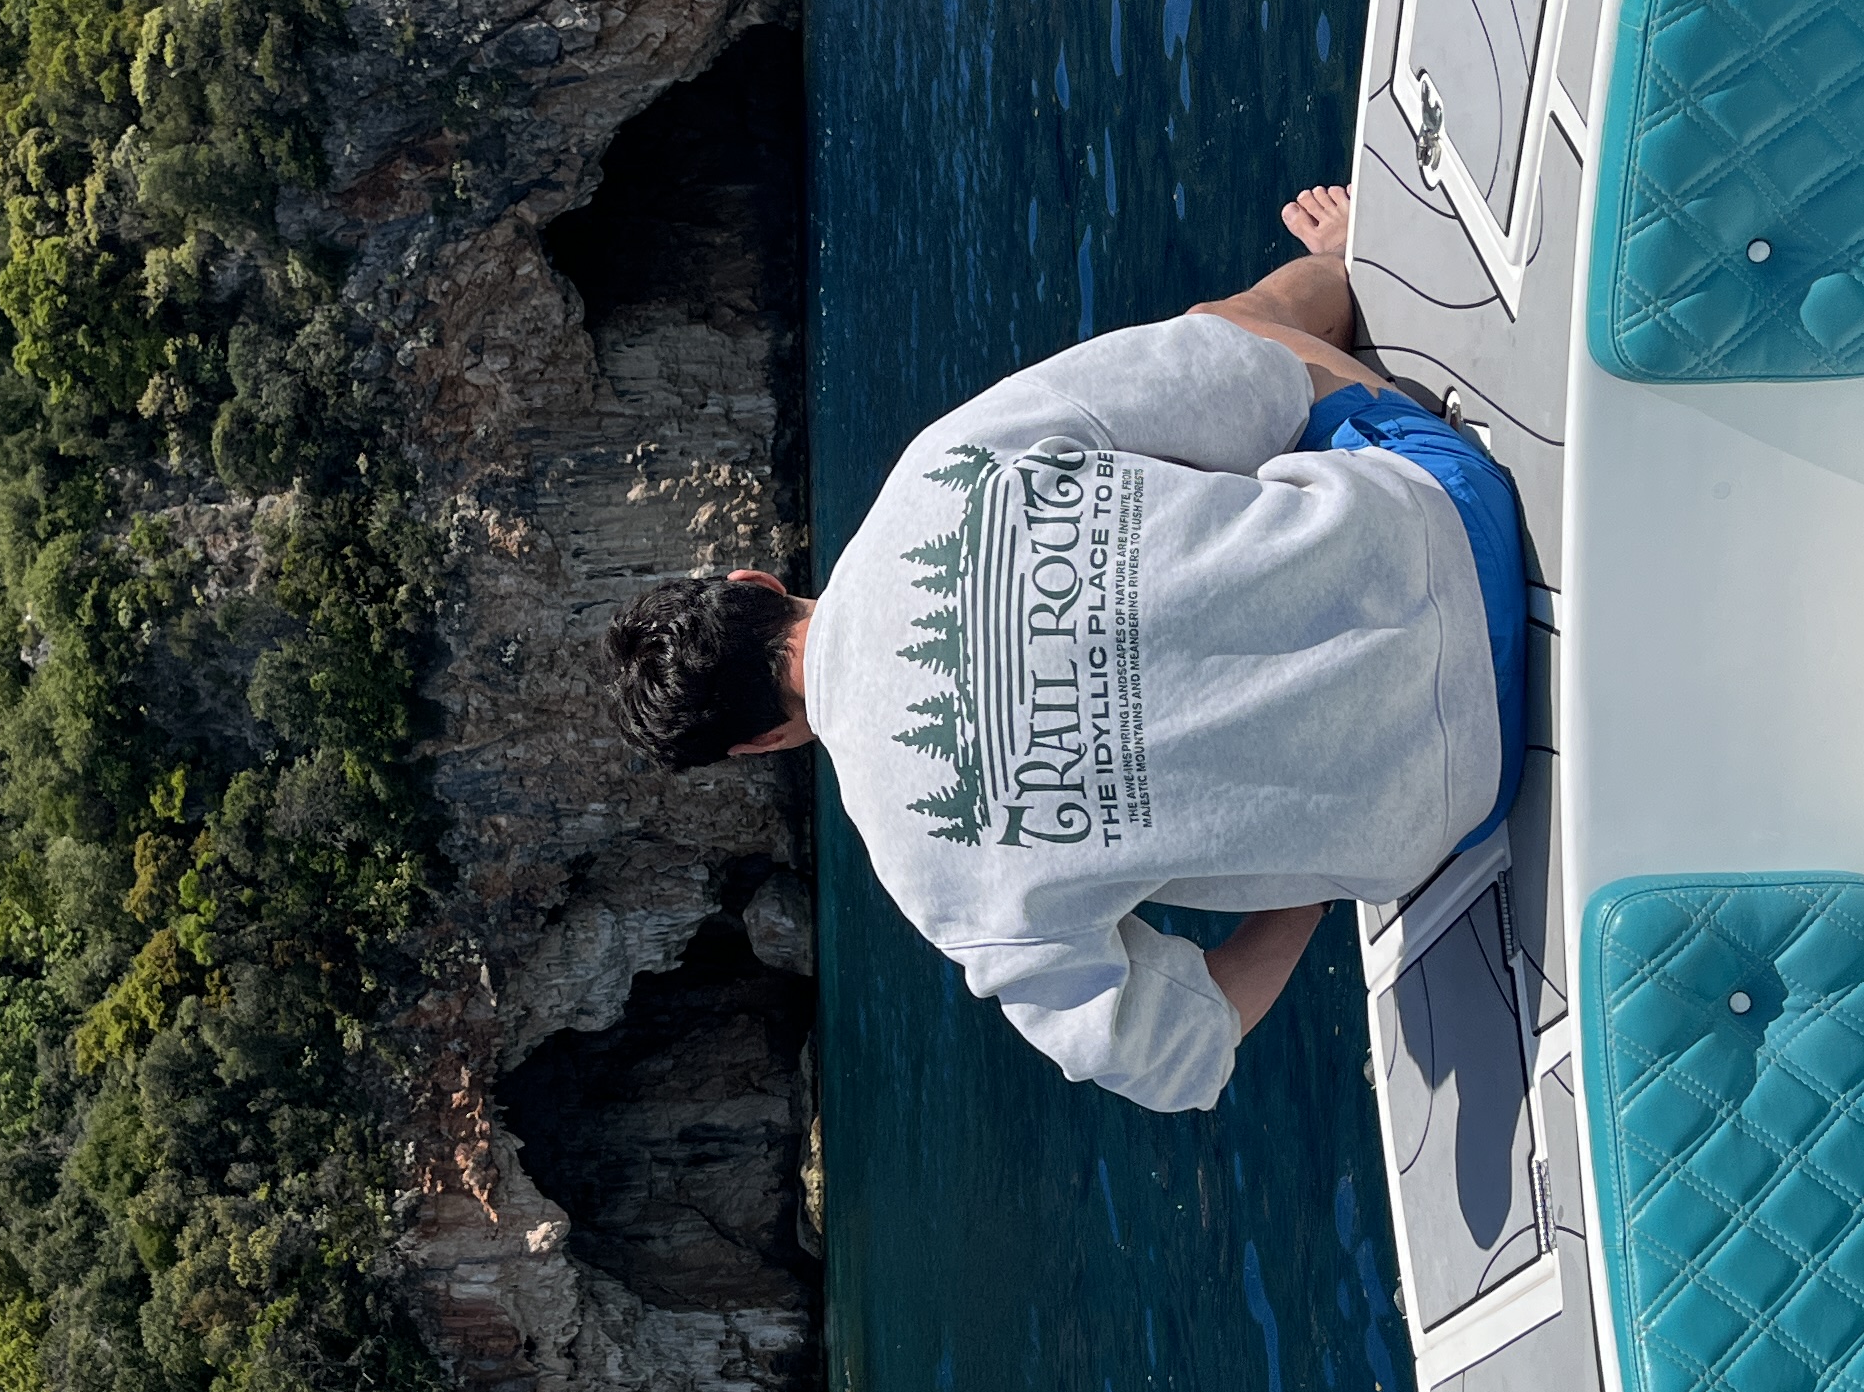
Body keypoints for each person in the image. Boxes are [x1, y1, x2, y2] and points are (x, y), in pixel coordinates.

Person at [604, 184, 1527, 1113]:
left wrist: (1321, 874)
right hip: (1456, 534)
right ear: (753, 586)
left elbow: (1173, 1058)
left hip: (1462, 796)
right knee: (1228, 326)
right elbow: (1244, 373)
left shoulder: (932, 880)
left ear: (760, 742)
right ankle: (1338, 259)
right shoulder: (939, 468)